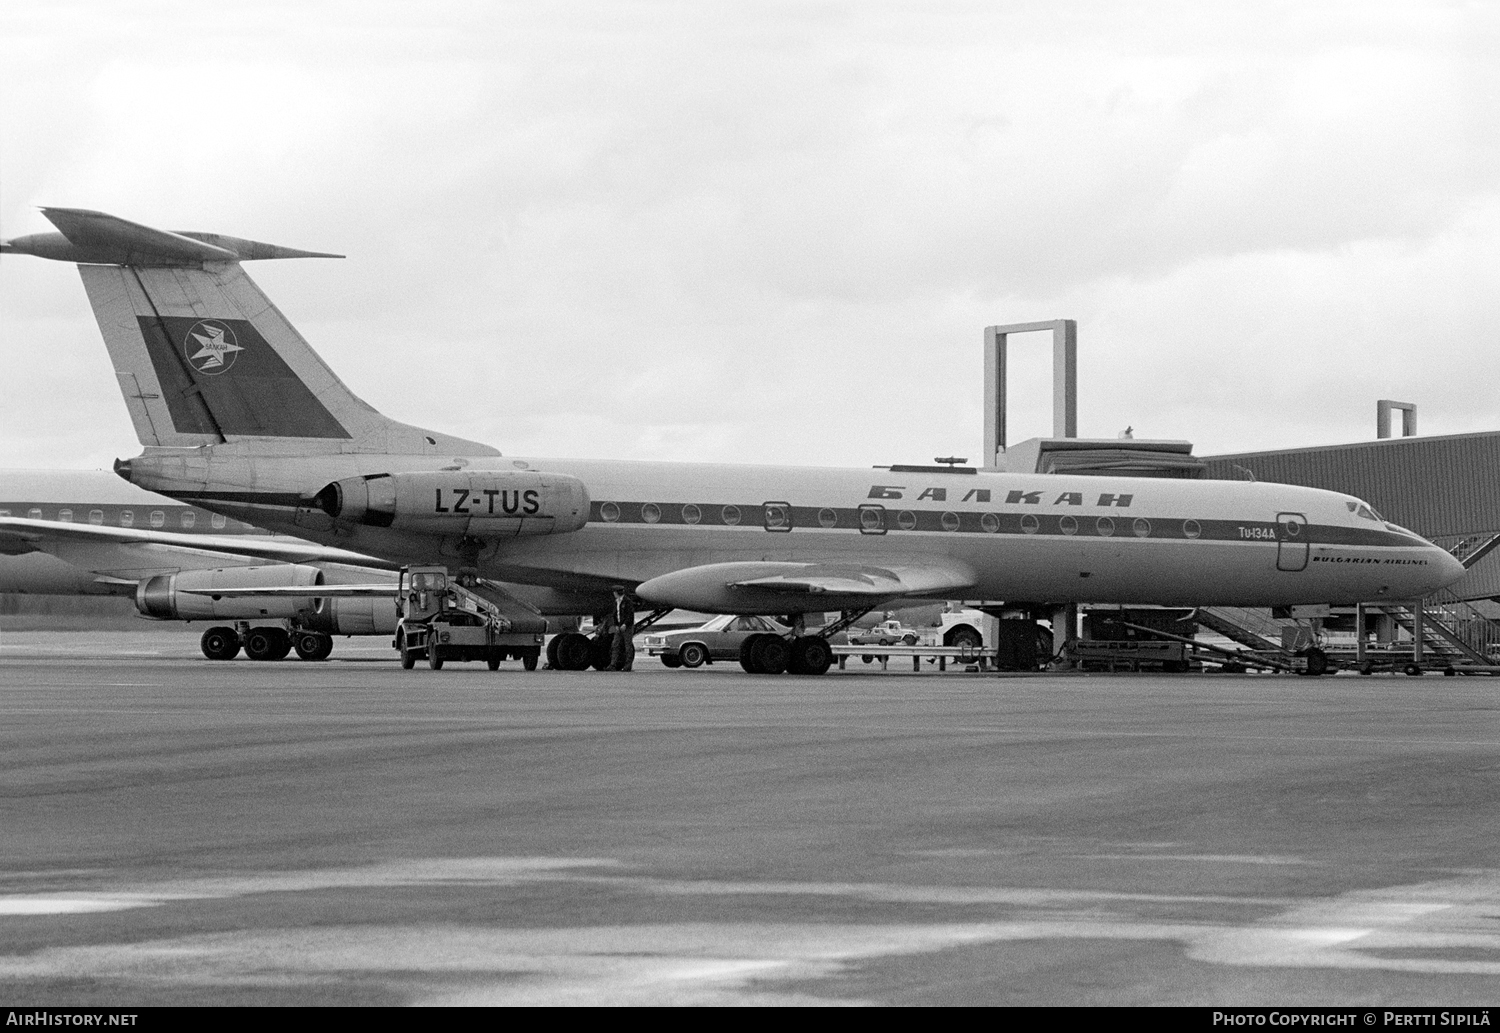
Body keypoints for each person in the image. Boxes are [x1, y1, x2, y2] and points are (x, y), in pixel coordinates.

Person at [608, 585, 635, 671]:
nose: (613, 594)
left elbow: (630, 615)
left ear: (617, 593)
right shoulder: (616, 602)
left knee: (628, 646)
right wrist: (616, 624)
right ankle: (612, 665)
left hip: (627, 627)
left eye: (614, 592)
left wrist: (625, 624)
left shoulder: (627, 602)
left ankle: (628, 666)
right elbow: (615, 614)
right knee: (615, 645)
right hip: (619, 626)